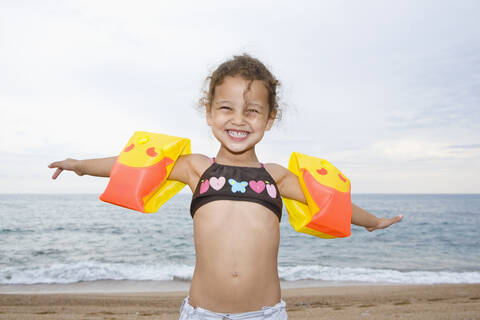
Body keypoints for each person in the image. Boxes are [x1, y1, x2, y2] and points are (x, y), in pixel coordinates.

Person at [48, 54, 403, 320]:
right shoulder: (196, 168)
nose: (238, 119)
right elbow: (130, 164)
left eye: (252, 111)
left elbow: (331, 203)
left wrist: (372, 221)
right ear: (209, 112)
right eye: (227, 108)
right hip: (202, 313)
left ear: (269, 118)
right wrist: (81, 166)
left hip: (264, 314)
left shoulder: (275, 178)